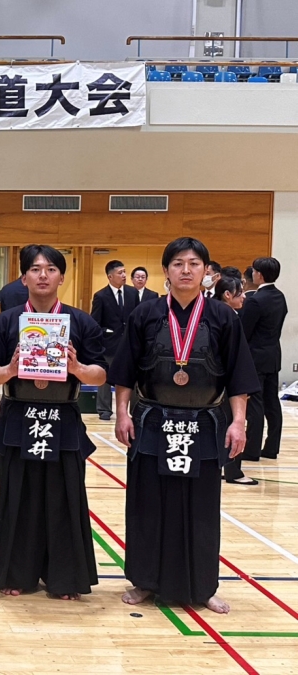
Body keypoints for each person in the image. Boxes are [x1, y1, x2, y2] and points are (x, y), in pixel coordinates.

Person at [109, 237, 259, 614]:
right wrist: (122, 413)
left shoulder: (223, 317)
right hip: (153, 422)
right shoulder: (145, 314)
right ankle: (145, 580)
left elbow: (239, 375)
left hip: (204, 423)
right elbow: (125, 371)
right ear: (166, 271)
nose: (186, 270)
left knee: (201, 508)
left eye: (194, 264)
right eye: (178, 263)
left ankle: (202, 586)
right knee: (147, 504)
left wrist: (238, 422)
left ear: (206, 271)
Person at [0, 245, 107, 600]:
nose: (43, 275)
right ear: (23, 278)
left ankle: (63, 578)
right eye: (35, 269)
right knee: (17, 496)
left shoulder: (80, 321)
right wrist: (10, 369)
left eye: (51, 269)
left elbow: (101, 375)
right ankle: (16, 574)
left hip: (62, 415)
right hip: (18, 415)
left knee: (64, 497)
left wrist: (78, 368)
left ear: (61, 277)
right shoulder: (6, 321)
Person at [242, 257, 288, 461]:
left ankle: (251, 450)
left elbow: (245, 331)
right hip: (273, 355)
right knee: (272, 402)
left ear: (259, 274)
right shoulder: (280, 296)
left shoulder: (255, 300)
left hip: (256, 357)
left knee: (255, 404)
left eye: (254, 271)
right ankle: (271, 447)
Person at [212, 276, 256, 485]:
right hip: (225, 380)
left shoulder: (220, 313)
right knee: (232, 422)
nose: (244, 297)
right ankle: (232, 470)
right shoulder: (228, 316)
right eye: (240, 293)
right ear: (228, 295)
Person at [90, 260, 138, 420]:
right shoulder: (101, 296)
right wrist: (105, 333)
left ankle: (134, 410)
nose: (124, 275)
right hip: (109, 344)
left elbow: (137, 317)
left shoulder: (132, 293)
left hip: (129, 343)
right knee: (105, 378)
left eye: (124, 272)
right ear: (110, 276)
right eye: (120, 273)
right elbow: (95, 323)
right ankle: (104, 410)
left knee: (132, 376)